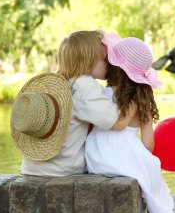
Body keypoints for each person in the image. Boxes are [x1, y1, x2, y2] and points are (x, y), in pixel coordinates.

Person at [85, 33, 173, 213]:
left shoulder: (99, 94)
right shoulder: (141, 102)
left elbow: (89, 130)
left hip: (95, 157)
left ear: (113, 67)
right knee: (152, 169)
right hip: (124, 156)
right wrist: (143, 157)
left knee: (148, 166)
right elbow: (148, 145)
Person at [11, 30, 120, 176]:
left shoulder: (56, 83)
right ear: (88, 64)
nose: (110, 63)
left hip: (31, 168)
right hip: (63, 169)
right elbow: (115, 121)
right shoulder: (84, 85)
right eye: (105, 60)